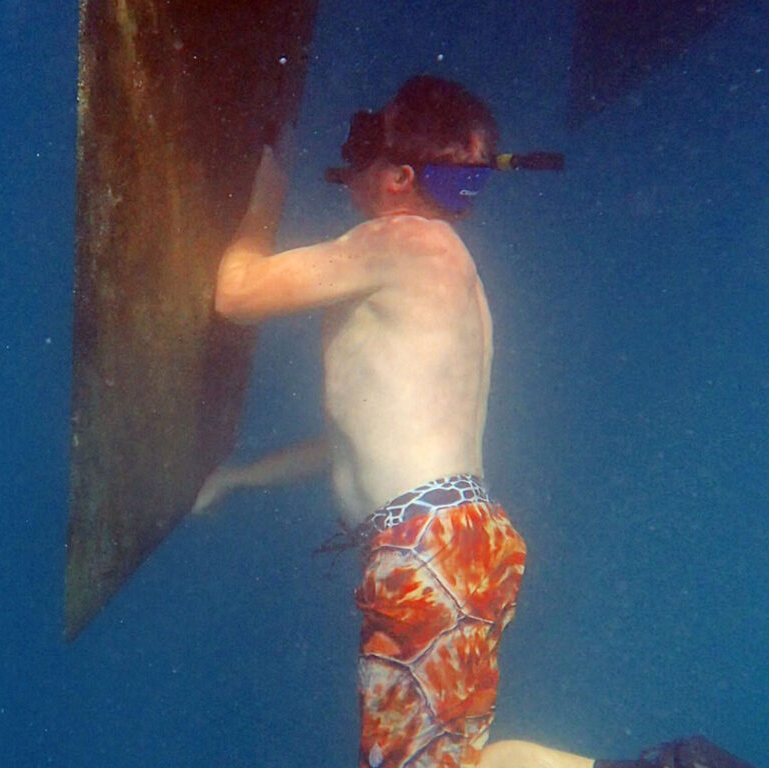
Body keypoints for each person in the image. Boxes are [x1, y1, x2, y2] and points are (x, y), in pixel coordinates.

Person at [192, 75, 752, 768]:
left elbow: (236, 294)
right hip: (462, 539)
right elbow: (354, 441)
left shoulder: (404, 243)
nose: (352, 156)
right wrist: (240, 477)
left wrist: (265, 196)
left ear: (399, 176)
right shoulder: (448, 273)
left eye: (366, 137)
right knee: (457, 758)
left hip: (428, 548)